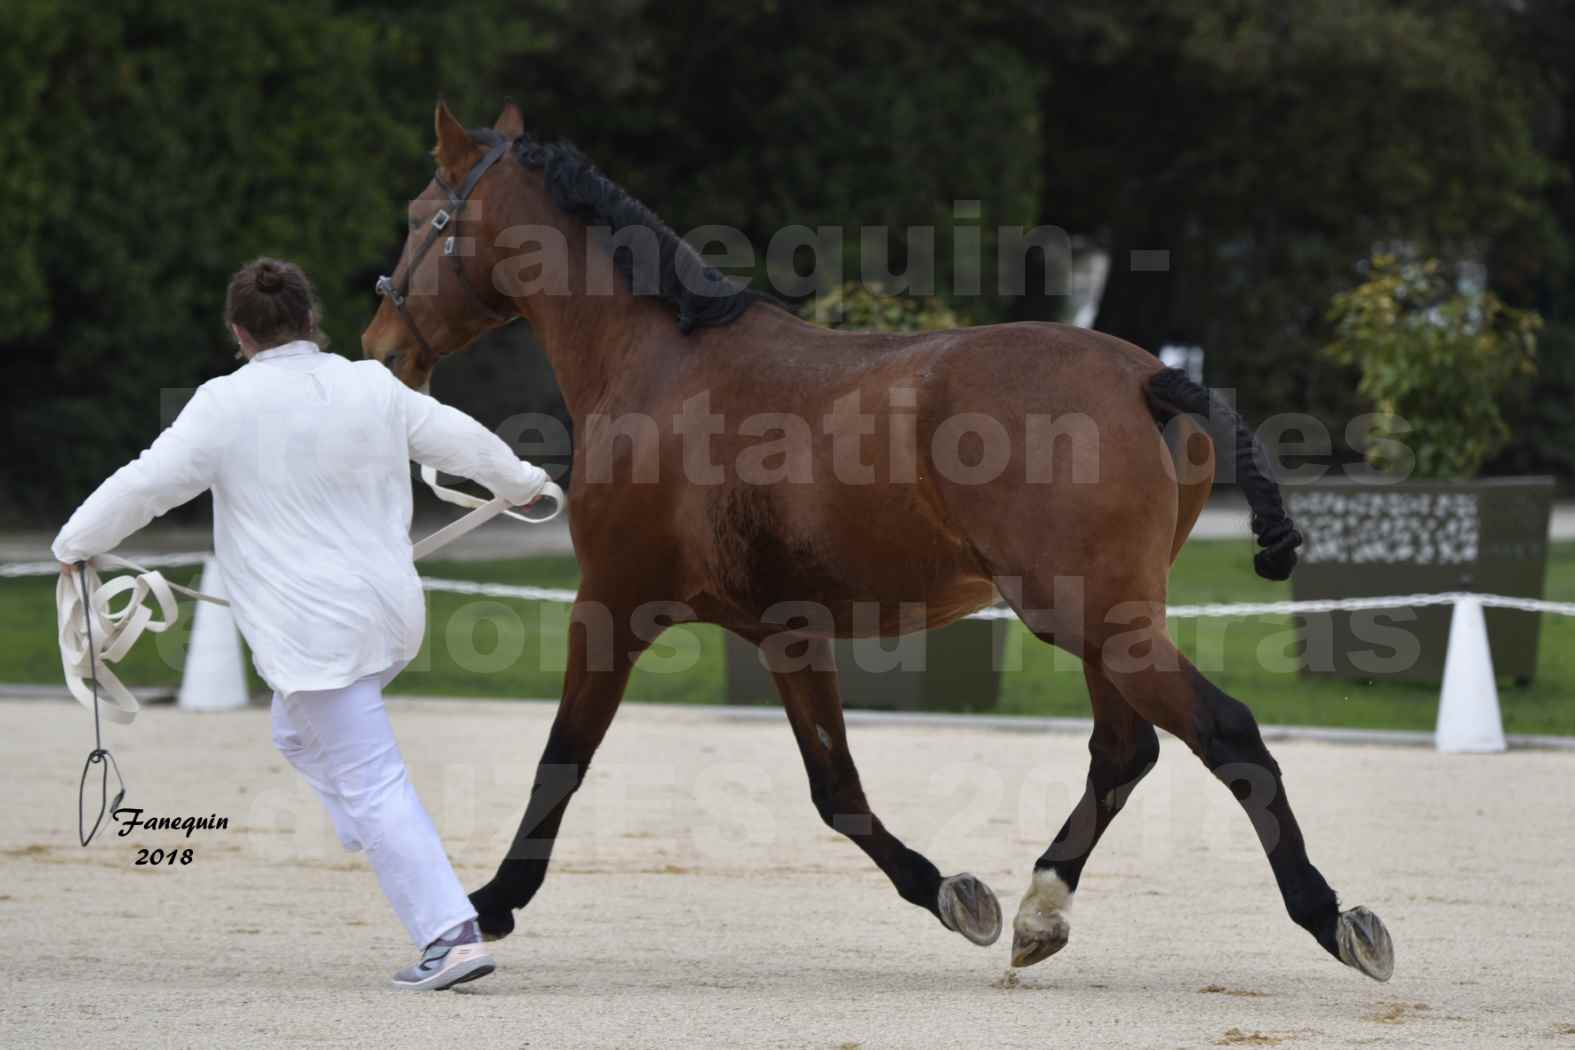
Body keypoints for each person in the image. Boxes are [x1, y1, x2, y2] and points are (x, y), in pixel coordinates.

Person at [53, 258, 548, 991]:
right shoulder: (371, 384)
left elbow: (145, 482)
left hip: (315, 634)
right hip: (390, 615)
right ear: (311, 320)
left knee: (372, 781)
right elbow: (461, 438)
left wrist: (72, 544)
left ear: (238, 331)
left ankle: (451, 935)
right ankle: (374, 835)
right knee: (296, 735)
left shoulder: (222, 404)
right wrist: (523, 483)